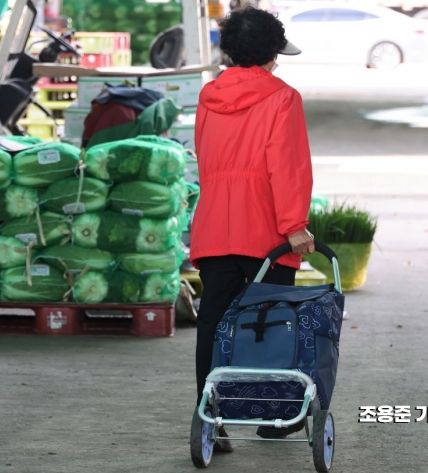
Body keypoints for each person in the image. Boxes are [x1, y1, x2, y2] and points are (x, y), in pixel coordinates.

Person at [190, 7, 315, 449]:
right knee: (272, 320)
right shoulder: (282, 98)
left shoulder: (209, 96)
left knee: (213, 321)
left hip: (214, 224)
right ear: (270, 55)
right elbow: (288, 168)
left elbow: (205, 159)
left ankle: (211, 416)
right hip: (265, 231)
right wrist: (294, 226)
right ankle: (275, 416)